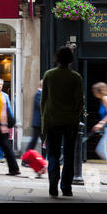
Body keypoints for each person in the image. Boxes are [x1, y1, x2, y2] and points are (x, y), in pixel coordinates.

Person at [41, 46, 84, 197]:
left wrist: (44, 121)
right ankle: (66, 187)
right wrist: (76, 115)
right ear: (70, 60)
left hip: (53, 120)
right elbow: (80, 102)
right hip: (70, 122)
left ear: (57, 58)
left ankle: (53, 183)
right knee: (69, 155)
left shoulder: (49, 75)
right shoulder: (76, 77)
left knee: (52, 154)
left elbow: (44, 100)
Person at [23, 79, 45, 166]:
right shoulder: (39, 94)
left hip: (40, 123)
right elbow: (41, 106)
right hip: (38, 123)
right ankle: (25, 160)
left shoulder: (40, 94)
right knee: (33, 142)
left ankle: (26, 160)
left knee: (36, 142)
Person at [0, 78, 14, 164]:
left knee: (2, 140)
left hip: (3, 121)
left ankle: (0, 156)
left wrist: (11, 120)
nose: (0, 86)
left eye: (1, 84)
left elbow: (8, 108)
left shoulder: (5, 95)